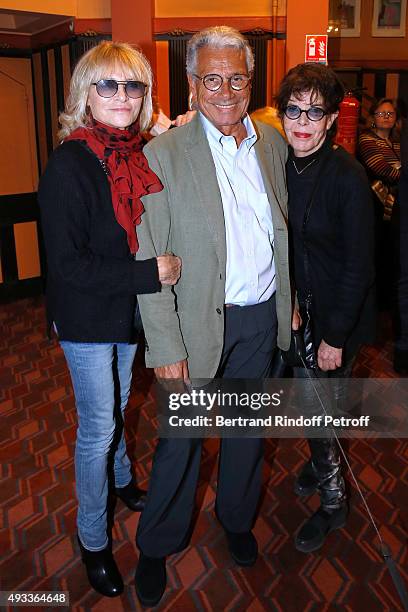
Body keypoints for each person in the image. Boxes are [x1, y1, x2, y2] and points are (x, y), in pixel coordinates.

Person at [134, 26, 292, 607]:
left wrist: (290, 304)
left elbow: (282, 230)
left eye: (237, 78)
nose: (225, 90)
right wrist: (165, 345)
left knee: (248, 434)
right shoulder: (164, 154)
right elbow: (148, 255)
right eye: (211, 78)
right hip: (196, 322)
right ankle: (156, 543)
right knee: (181, 441)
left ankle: (236, 519)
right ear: (192, 83)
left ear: (251, 81)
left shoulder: (271, 143)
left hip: (258, 320)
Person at [38, 41, 181, 598]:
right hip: (85, 315)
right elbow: (70, 267)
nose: (122, 96)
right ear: (85, 94)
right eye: (108, 85)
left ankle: (122, 480)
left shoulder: (136, 152)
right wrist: (150, 275)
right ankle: (92, 540)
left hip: (122, 312)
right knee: (98, 427)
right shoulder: (70, 162)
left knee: (120, 405)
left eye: (134, 86)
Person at [276, 63, 375, 553]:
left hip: (338, 319)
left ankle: (335, 505)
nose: (302, 120)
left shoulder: (347, 176)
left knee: (319, 415)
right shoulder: (280, 162)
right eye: (294, 109)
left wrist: (334, 336)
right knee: (314, 410)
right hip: (300, 314)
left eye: (315, 111)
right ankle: (320, 463)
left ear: (333, 118)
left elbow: (360, 267)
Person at [358, 98, 401, 308]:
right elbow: (384, 171)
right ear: (372, 117)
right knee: (379, 251)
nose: (386, 117)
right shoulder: (366, 140)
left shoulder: (398, 141)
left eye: (390, 114)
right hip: (377, 204)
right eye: (381, 113)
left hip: (397, 205)